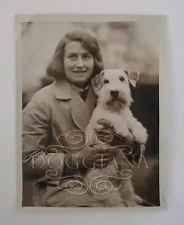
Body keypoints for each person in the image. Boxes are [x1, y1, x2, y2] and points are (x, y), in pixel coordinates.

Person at [22, 29, 116, 207]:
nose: (80, 64)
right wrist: (75, 159)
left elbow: (128, 143)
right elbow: (26, 162)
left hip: (106, 183)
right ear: (61, 61)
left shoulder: (107, 94)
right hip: (61, 189)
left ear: (95, 61)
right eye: (72, 57)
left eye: (86, 57)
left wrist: (128, 143)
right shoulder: (42, 101)